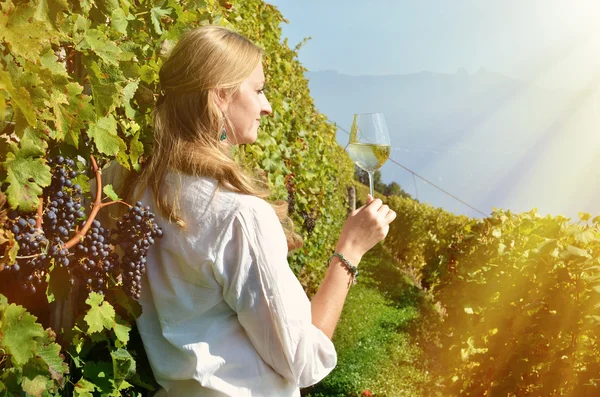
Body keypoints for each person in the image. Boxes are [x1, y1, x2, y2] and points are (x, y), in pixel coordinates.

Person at [122, 25, 396, 396]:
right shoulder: (238, 214)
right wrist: (351, 249)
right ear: (220, 95)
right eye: (258, 89)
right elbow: (304, 363)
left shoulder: (142, 188)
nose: (267, 106)